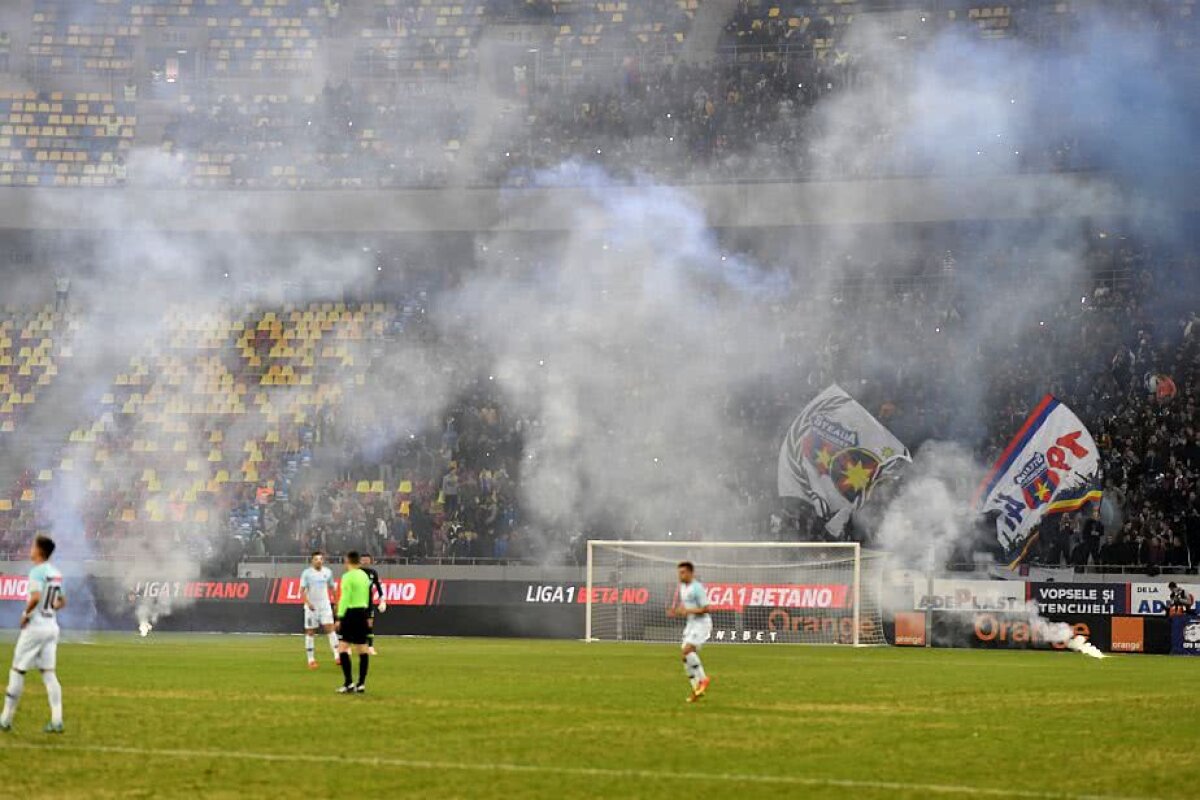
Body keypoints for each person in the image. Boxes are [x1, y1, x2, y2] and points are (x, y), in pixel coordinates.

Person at [0, 535, 66, 733]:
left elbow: (36, 597)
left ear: (39, 551)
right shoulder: (56, 573)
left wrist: (25, 613)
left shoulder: (37, 572)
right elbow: (62, 601)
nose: (30, 549)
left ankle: (6, 719)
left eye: (32, 546)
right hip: (51, 627)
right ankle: (57, 720)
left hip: (35, 628)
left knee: (17, 670)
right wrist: (50, 608)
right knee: (48, 673)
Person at [667, 561, 712, 703]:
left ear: (691, 573)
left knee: (687, 650)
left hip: (702, 624)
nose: (680, 575)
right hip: (691, 624)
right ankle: (696, 690)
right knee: (685, 657)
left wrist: (688, 611)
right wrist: (678, 611)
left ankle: (703, 680)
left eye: (683, 572)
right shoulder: (682, 587)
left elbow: (706, 608)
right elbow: (685, 605)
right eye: (679, 573)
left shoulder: (697, 588)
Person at [335, 551, 371, 694]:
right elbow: (368, 596)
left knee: (343, 648)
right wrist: (368, 614)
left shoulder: (347, 577)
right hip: (362, 612)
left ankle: (348, 683)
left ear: (348, 561)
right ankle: (361, 684)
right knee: (362, 649)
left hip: (350, 613)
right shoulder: (364, 576)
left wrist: (339, 617)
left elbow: (345, 597)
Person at [300, 551, 339, 669]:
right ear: (312, 561)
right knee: (310, 632)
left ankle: (337, 656)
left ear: (323, 560)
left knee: (330, 629)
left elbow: (332, 588)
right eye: (316, 559)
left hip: (325, 605)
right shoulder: (306, 573)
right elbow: (302, 590)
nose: (318, 561)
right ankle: (311, 659)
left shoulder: (328, 572)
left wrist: (336, 602)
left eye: (320, 559)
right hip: (312, 607)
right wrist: (308, 603)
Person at [360, 553, 387, 655]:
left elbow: (378, 587)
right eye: (363, 560)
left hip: (369, 603)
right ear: (360, 561)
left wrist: (382, 600)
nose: (365, 561)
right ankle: (348, 646)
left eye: (367, 560)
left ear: (370, 561)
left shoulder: (373, 573)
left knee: (369, 625)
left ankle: (370, 647)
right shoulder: (356, 572)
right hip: (357, 603)